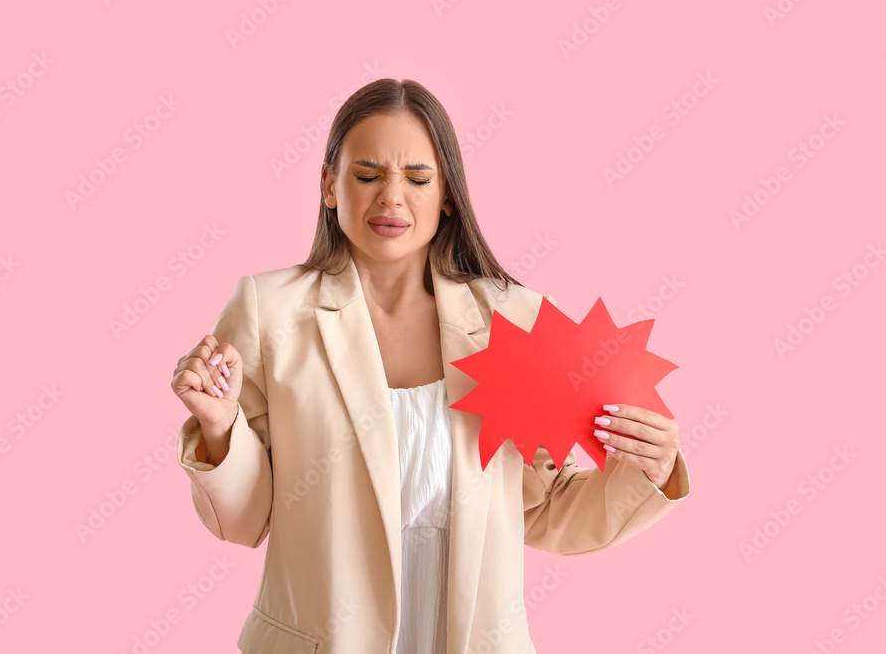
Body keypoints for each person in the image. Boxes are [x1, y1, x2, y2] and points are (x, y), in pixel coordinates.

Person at [170, 78, 691, 654]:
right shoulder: (269, 311)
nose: (392, 198)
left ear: (446, 194)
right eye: (367, 176)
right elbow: (247, 521)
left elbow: (547, 510)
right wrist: (220, 432)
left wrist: (651, 468)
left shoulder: (514, 320)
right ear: (328, 186)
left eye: (418, 179)